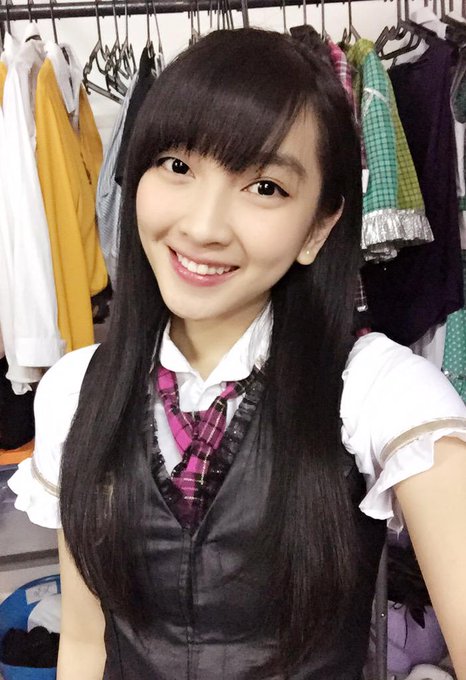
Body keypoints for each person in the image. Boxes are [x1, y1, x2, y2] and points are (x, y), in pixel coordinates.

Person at [8, 28, 466, 680]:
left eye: (265, 187)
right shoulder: (74, 390)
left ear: (318, 227)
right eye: (178, 166)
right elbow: (84, 642)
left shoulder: (379, 394)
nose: (202, 226)